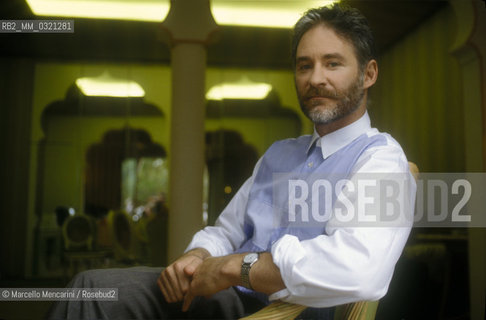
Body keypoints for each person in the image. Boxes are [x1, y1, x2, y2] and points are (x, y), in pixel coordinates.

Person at [47, 3, 416, 319]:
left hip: (284, 312)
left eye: (332, 64)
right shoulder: (279, 154)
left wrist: (233, 267)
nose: (315, 78)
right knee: (89, 287)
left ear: (368, 74)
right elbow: (226, 231)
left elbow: (360, 269)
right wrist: (199, 255)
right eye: (304, 66)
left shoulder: (382, 161)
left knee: (93, 293)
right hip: (226, 299)